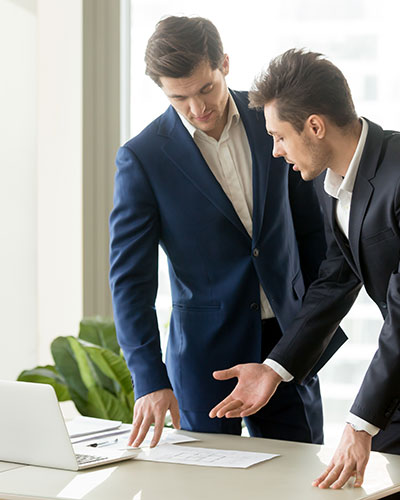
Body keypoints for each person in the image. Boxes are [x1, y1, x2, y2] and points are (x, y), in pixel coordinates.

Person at [109, 17, 340, 450]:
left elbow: (313, 232)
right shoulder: (143, 159)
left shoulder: (271, 120)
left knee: (300, 474)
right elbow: (130, 282)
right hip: (205, 360)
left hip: (287, 348)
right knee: (208, 481)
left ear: (225, 65)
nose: (197, 108)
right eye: (179, 97)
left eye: (206, 88)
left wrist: (309, 330)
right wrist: (149, 379)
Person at [209, 48, 400, 489]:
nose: (276, 151)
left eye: (279, 137)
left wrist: (359, 423)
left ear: (315, 126)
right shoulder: (330, 180)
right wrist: (274, 368)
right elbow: (336, 278)